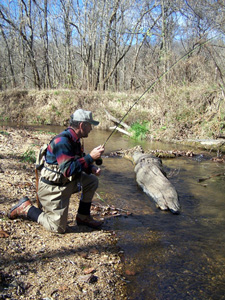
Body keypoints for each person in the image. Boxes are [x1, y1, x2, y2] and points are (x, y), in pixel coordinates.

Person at [8, 109, 105, 233]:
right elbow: (68, 170)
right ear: (82, 125)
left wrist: (90, 168)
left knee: (91, 181)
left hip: (66, 183)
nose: (91, 129)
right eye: (90, 125)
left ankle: (83, 217)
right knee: (57, 228)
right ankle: (26, 208)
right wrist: (91, 157)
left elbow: (76, 161)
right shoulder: (62, 141)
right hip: (53, 189)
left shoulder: (75, 139)